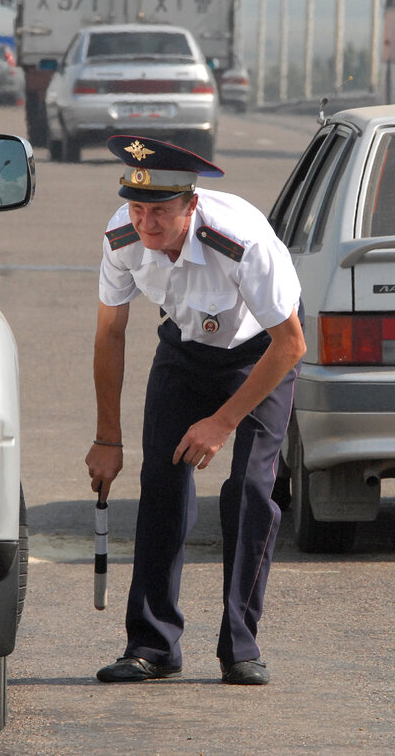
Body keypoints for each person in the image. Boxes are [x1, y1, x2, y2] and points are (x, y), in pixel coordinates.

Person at [86, 135, 306, 686]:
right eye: (138, 209)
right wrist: (107, 438)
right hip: (184, 350)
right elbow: (110, 334)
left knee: (251, 490)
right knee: (161, 479)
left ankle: (241, 645)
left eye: (160, 211)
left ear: (191, 205)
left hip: (262, 354)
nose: (147, 224)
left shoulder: (240, 241)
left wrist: (222, 422)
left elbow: (291, 345)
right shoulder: (121, 236)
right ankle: (152, 645)